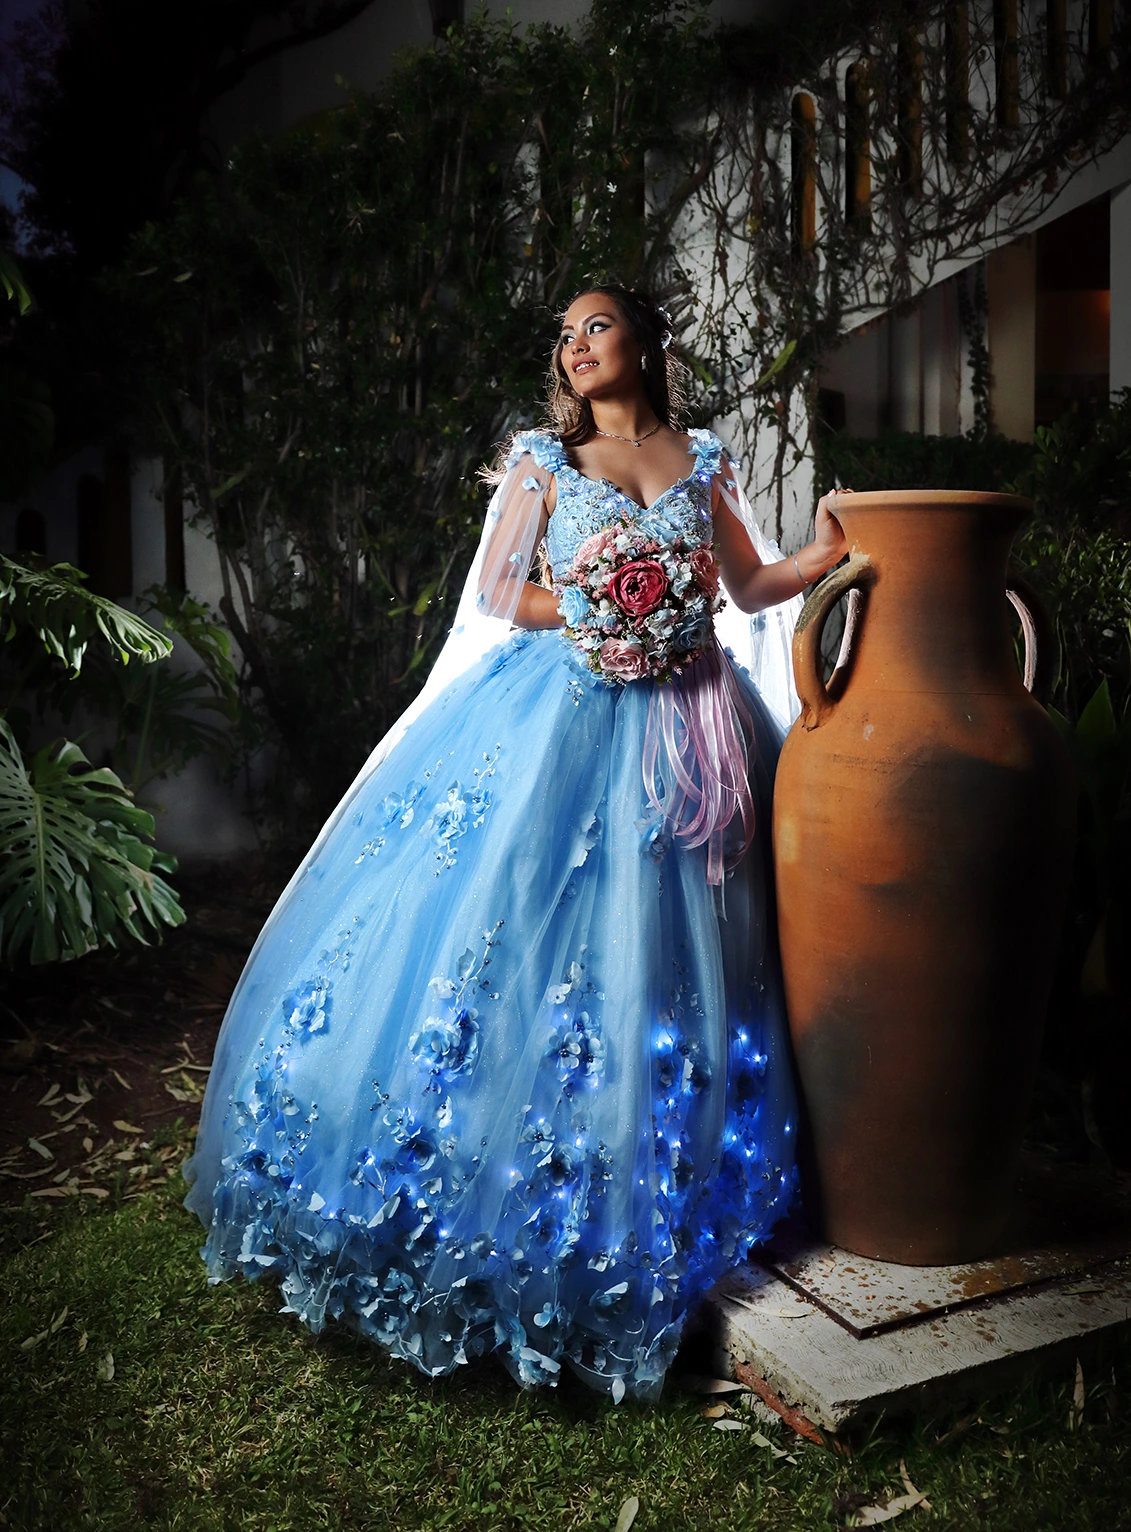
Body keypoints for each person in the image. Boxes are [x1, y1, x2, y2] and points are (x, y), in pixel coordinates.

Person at [183, 282, 848, 1402]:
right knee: (522, 921)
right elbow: (501, 593)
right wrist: (599, 604)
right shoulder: (546, 460)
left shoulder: (703, 462)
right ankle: (484, 1184)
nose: (576, 346)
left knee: (683, 950)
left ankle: (653, 1180)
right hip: (564, 715)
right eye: (565, 335)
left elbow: (744, 586)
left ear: (645, 339)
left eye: (597, 325)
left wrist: (820, 553)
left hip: (689, 725)